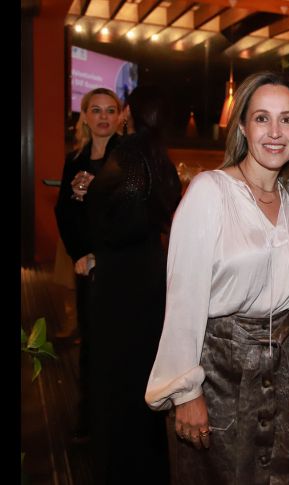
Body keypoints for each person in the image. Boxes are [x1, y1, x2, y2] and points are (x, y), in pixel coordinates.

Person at [145, 72, 289, 485]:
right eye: (262, 119)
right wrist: (186, 392)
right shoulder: (210, 191)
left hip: (282, 373)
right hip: (220, 373)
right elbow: (183, 298)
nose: (275, 133)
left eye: (287, 120)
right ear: (242, 126)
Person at [86, 85, 182, 484]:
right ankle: (150, 464)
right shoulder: (163, 158)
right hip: (153, 273)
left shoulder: (126, 154)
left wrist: (88, 201)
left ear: (129, 112)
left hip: (120, 276)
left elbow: (107, 212)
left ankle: (119, 466)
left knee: (116, 375)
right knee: (146, 369)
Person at [53, 87, 122, 443]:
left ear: (120, 116)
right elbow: (64, 212)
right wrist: (79, 253)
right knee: (90, 344)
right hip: (84, 267)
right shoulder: (76, 159)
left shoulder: (125, 158)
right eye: (96, 110)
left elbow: (128, 217)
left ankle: (113, 418)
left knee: (115, 344)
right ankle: (88, 417)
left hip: (116, 267)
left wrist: (102, 255)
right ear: (84, 116)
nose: (104, 117)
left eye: (110, 110)